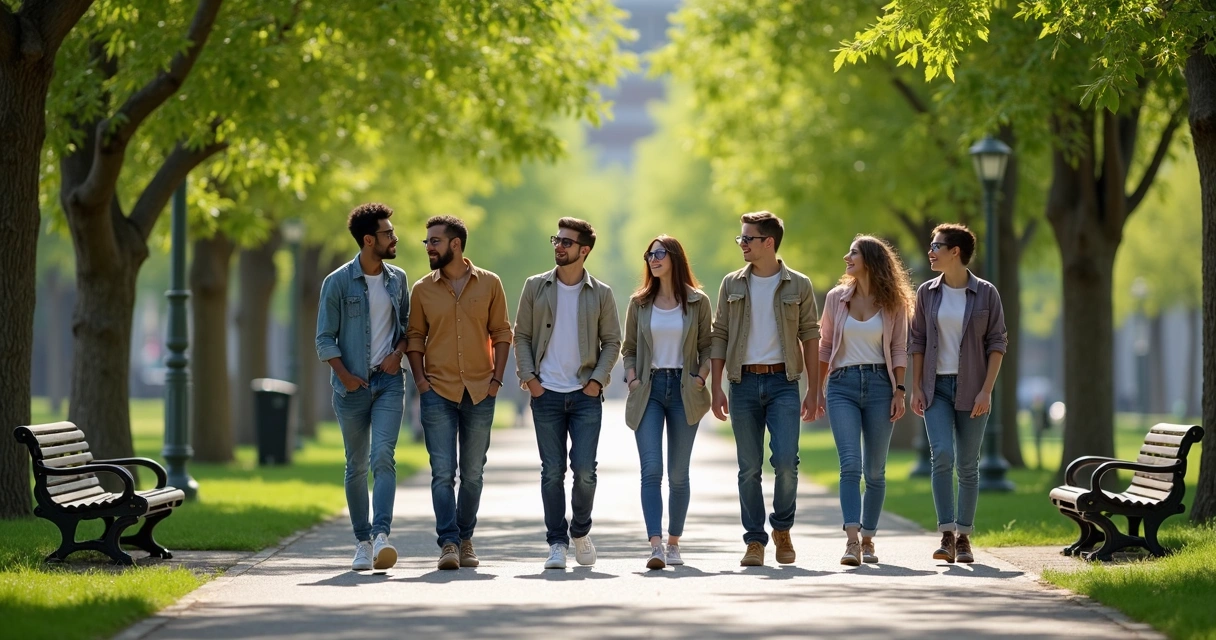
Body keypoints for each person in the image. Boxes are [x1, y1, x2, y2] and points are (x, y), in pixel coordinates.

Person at [709, 211, 821, 567]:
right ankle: (754, 540)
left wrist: (814, 390)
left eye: (747, 238)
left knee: (786, 462)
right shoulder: (731, 283)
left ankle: (782, 529)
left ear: (768, 242)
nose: (742, 244)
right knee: (748, 467)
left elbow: (810, 337)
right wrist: (717, 385)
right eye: (741, 238)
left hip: (784, 383)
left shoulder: (798, 285)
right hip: (742, 383)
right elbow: (720, 335)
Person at [405, 215, 513, 571]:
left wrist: (497, 381)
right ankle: (448, 542)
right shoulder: (422, 289)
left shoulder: (490, 283)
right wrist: (421, 383)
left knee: (473, 473)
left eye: (434, 241)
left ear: (455, 244)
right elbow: (414, 338)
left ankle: (466, 538)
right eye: (427, 242)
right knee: (441, 472)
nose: (428, 247)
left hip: (481, 391)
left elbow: (501, 333)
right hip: (437, 390)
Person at [514, 217, 621, 570]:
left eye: (566, 242)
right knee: (551, 471)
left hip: (585, 395)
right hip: (546, 395)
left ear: (583, 250)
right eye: (556, 240)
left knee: (586, 471)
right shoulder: (535, 287)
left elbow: (612, 342)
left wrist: (597, 381)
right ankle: (556, 542)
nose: (559, 246)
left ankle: (580, 530)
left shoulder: (601, 293)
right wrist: (530, 379)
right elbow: (522, 336)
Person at [315, 203, 409, 573]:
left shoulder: (397, 278)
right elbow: (324, 338)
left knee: (383, 456)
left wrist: (396, 354)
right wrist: (346, 374)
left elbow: (407, 329)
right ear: (369, 240)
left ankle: (382, 535)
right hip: (350, 388)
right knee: (355, 465)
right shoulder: (337, 282)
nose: (394, 237)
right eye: (388, 233)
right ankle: (362, 542)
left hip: (389, 382)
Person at [909, 223, 1008, 564]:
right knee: (942, 456)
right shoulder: (926, 293)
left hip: (973, 389)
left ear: (955, 252)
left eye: (936, 246)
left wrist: (986, 391)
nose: (930, 251)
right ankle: (946, 534)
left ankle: (964, 537)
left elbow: (997, 343)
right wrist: (917, 385)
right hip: (936, 388)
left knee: (968, 465)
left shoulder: (986, 293)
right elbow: (917, 341)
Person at [817, 235, 913, 566]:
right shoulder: (835, 298)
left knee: (875, 470)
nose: (847, 257)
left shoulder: (894, 303)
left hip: (879, 386)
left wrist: (900, 390)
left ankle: (869, 539)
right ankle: (851, 540)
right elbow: (825, 345)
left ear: (870, 260)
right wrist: (816, 389)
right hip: (841, 384)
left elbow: (899, 348)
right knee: (849, 465)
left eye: (853, 253)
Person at [621, 235, 713, 570]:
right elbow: (628, 348)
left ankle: (674, 542)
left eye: (659, 253)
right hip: (649, 388)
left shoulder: (697, 301)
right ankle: (655, 545)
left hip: (684, 388)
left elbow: (709, 346)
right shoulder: (639, 303)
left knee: (678, 473)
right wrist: (632, 378)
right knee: (652, 471)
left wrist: (700, 377)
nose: (653, 259)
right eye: (649, 254)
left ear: (674, 257)